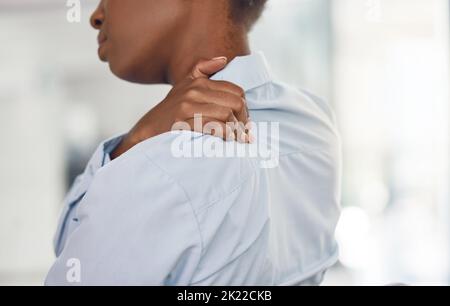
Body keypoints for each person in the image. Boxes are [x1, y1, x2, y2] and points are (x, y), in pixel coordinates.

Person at [46, 0, 342, 285]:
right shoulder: (315, 125)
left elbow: (73, 260)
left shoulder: (159, 168)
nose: (96, 15)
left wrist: (137, 143)